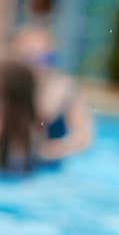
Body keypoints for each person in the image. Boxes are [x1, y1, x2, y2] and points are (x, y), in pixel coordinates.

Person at [10, 25, 93, 162]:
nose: (39, 65)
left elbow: (84, 137)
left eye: (46, 58)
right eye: (30, 59)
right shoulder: (12, 87)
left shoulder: (66, 88)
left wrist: (56, 149)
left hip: (51, 162)